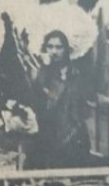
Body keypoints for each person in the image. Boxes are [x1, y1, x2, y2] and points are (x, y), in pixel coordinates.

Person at [20, 29, 92, 170]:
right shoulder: (42, 74)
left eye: (59, 47)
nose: (54, 51)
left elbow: (84, 104)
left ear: (66, 49)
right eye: (50, 46)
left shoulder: (77, 73)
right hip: (49, 135)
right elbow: (36, 106)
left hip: (74, 135)